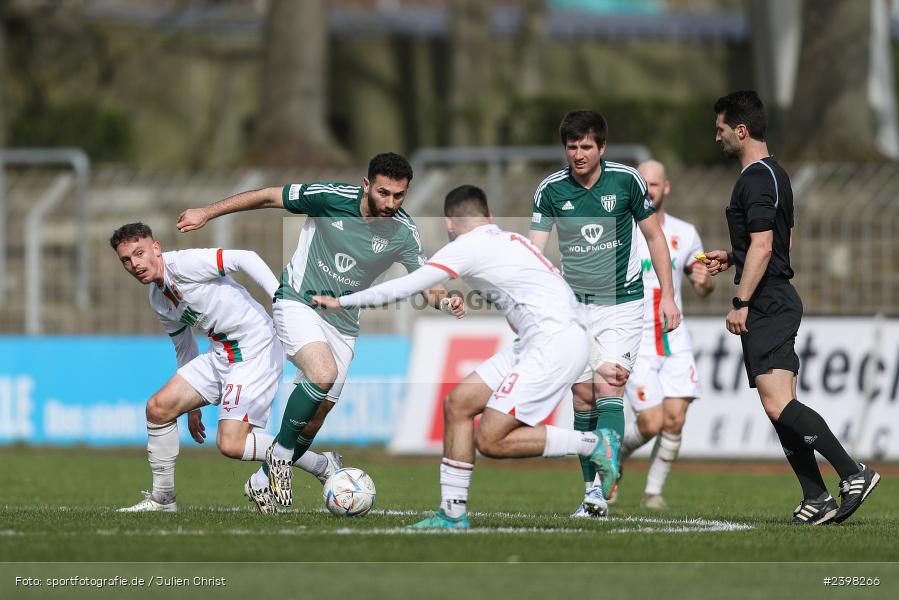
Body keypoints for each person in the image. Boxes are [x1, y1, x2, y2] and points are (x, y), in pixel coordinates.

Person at [312, 185, 615, 529]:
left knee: (491, 439)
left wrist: (344, 301)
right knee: (458, 403)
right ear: (488, 217)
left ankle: (593, 443)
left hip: (551, 342)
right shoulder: (513, 240)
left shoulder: (468, 246)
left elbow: (406, 287)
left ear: (449, 223)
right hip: (551, 337)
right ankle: (453, 514)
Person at [176, 153, 465, 508]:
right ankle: (280, 457)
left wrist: (446, 300)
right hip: (297, 301)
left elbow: (426, 284)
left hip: (343, 323)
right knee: (323, 373)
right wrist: (207, 212)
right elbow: (269, 196)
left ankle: (262, 479)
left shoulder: (403, 232)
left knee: (313, 421)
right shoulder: (331, 197)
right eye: (383, 193)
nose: (390, 203)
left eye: (399, 196)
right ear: (366, 185)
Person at [700, 90, 880, 524]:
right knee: (778, 404)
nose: (717, 137)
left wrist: (741, 299)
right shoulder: (776, 173)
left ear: (741, 130)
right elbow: (781, 241)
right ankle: (816, 497)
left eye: (721, 129)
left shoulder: (754, 179)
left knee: (779, 404)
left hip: (767, 301)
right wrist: (735, 255)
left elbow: (764, 245)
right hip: (775, 294)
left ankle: (853, 472)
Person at [110, 223, 340, 515]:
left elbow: (246, 257)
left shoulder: (184, 264)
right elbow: (185, 346)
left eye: (139, 253)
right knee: (158, 409)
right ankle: (162, 500)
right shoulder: (157, 298)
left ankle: (321, 464)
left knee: (231, 444)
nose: (135, 264)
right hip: (221, 354)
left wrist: (280, 299)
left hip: (254, 349)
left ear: (156, 248)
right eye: (126, 260)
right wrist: (191, 407)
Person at [527, 110, 681, 517]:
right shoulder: (550, 190)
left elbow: (654, 237)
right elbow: (534, 252)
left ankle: (603, 479)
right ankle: (591, 492)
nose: (578, 154)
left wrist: (667, 297)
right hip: (573, 306)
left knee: (607, 385)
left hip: (622, 303)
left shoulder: (626, 181)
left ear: (602, 147)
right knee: (581, 397)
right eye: (571, 147)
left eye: (586, 146)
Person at [616, 160, 714, 509]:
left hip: (674, 338)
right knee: (652, 421)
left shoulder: (685, 233)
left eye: (654, 185)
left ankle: (652, 492)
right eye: (642, 184)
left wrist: (705, 283)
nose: (648, 190)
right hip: (635, 340)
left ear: (666, 188)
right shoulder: (620, 229)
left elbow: (701, 281)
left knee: (675, 418)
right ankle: (613, 457)